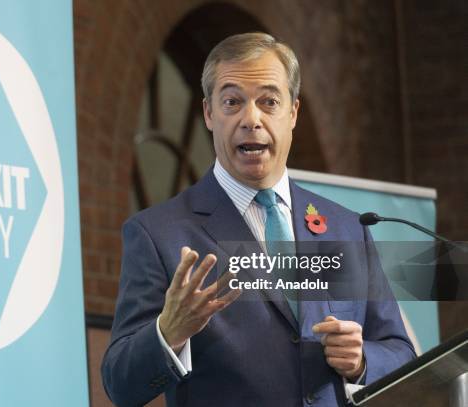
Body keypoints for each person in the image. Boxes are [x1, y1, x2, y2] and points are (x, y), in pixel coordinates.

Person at [101, 32, 415, 407]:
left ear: (293, 113)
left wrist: (362, 361)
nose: (252, 119)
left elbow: (400, 353)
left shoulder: (347, 228)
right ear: (208, 114)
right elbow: (120, 384)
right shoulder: (158, 234)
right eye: (232, 102)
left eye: (269, 101)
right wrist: (168, 333)